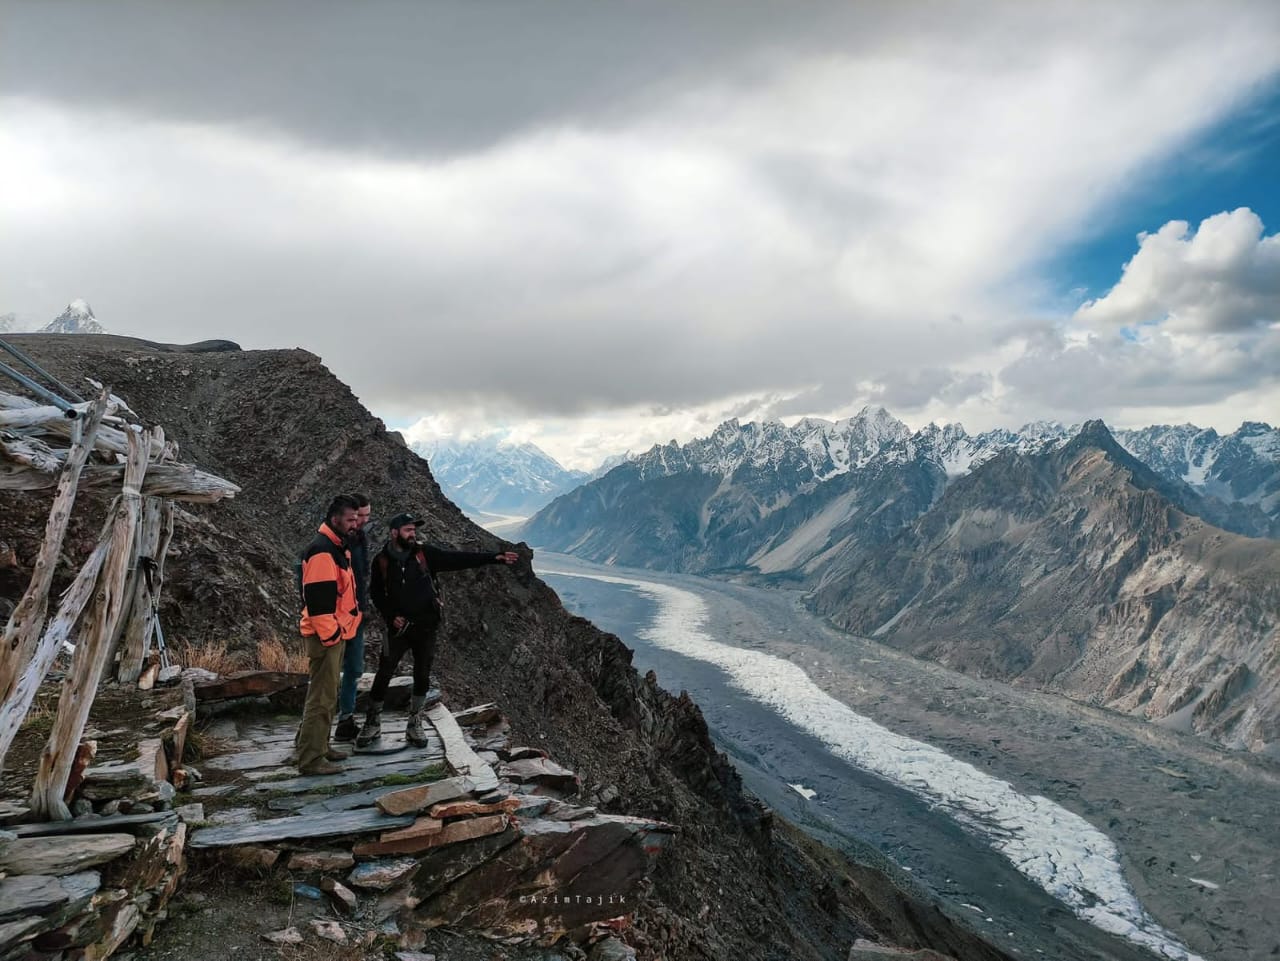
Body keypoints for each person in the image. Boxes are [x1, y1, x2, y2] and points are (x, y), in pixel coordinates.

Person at [357, 513, 518, 747]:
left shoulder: (425, 554)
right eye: (407, 530)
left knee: (422, 675)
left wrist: (494, 557)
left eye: (414, 530)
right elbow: (377, 593)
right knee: (384, 672)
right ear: (394, 532)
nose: (412, 534)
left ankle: (414, 723)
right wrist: (391, 616)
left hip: (426, 627)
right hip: (398, 630)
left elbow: (457, 559)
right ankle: (372, 722)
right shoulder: (381, 561)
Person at [296, 494, 363, 775]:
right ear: (335, 519)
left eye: (357, 519)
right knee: (321, 698)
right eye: (350, 520)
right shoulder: (323, 552)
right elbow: (319, 603)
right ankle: (311, 760)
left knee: (327, 694)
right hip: (327, 636)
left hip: (334, 633)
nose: (355, 525)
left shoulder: (335, 547)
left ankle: (320, 747)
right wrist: (332, 636)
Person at [334, 493, 373, 741]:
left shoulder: (360, 539)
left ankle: (345, 719)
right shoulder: (332, 543)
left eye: (367, 516)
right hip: (336, 617)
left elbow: (361, 576)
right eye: (360, 516)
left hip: (356, 616)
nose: (364, 521)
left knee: (354, 668)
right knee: (329, 672)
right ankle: (309, 728)